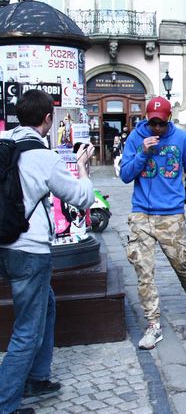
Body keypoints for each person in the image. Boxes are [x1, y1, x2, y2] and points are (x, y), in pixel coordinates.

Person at [0, 90, 95, 414]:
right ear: (47, 119)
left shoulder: (4, 143)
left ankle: (38, 377)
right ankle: (6, 403)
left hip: (5, 246)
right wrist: (82, 166)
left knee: (47, 304)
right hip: (30, 250)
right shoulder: (43, 157)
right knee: (27, 330)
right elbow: (81, 197)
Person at [120, 96, 186, 350]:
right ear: (147, 119)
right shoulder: (135, 138)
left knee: (181, 263)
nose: (156, 128)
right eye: (152, 123)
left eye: (161, 124)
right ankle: (153, 324)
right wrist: (143, 153)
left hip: (171, 214)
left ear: (169, 119)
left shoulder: (182, 139)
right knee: (143, 271)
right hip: (141, 213)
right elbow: (125, 175)